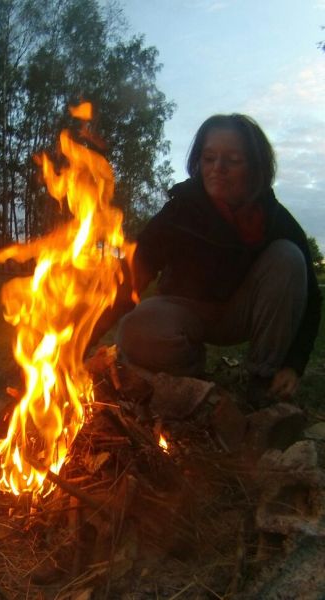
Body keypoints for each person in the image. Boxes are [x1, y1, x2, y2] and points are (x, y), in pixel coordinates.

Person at [111, 114, 321, 405]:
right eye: (209, 158)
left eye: (232, 160)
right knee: (135, 329)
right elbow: (132, 275)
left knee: (288, 257)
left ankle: (262, 381)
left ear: (254, 166)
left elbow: (311, 296)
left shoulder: (273, 218)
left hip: (239, 312)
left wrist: (293, 364)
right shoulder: (180, 211)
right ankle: (193, 374)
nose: (217, 169)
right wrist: (79, 340)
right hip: (183, 310)